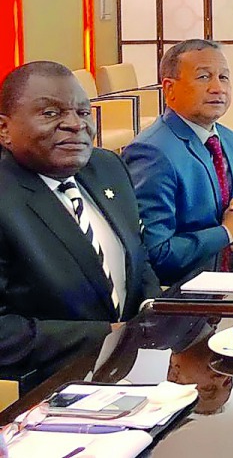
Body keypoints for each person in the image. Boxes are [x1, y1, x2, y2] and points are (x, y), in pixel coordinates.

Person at [0, 62, 160, 383]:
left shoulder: (107, 167)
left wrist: (154, 316)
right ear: (4, 129)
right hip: (44, 388)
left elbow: (138, 261)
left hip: (133, 370)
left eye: (84, 113)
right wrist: (107, 335)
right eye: (50, 114)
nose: (75, 125)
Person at [123, 40, 233, 286]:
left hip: (230, 284)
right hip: (179, 295)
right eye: (203, 77)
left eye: (224, 77)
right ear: (169, 89)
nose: (217, 88)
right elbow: (154, 254)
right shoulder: (151, 152)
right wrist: (228, 232)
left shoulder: (232, 141)